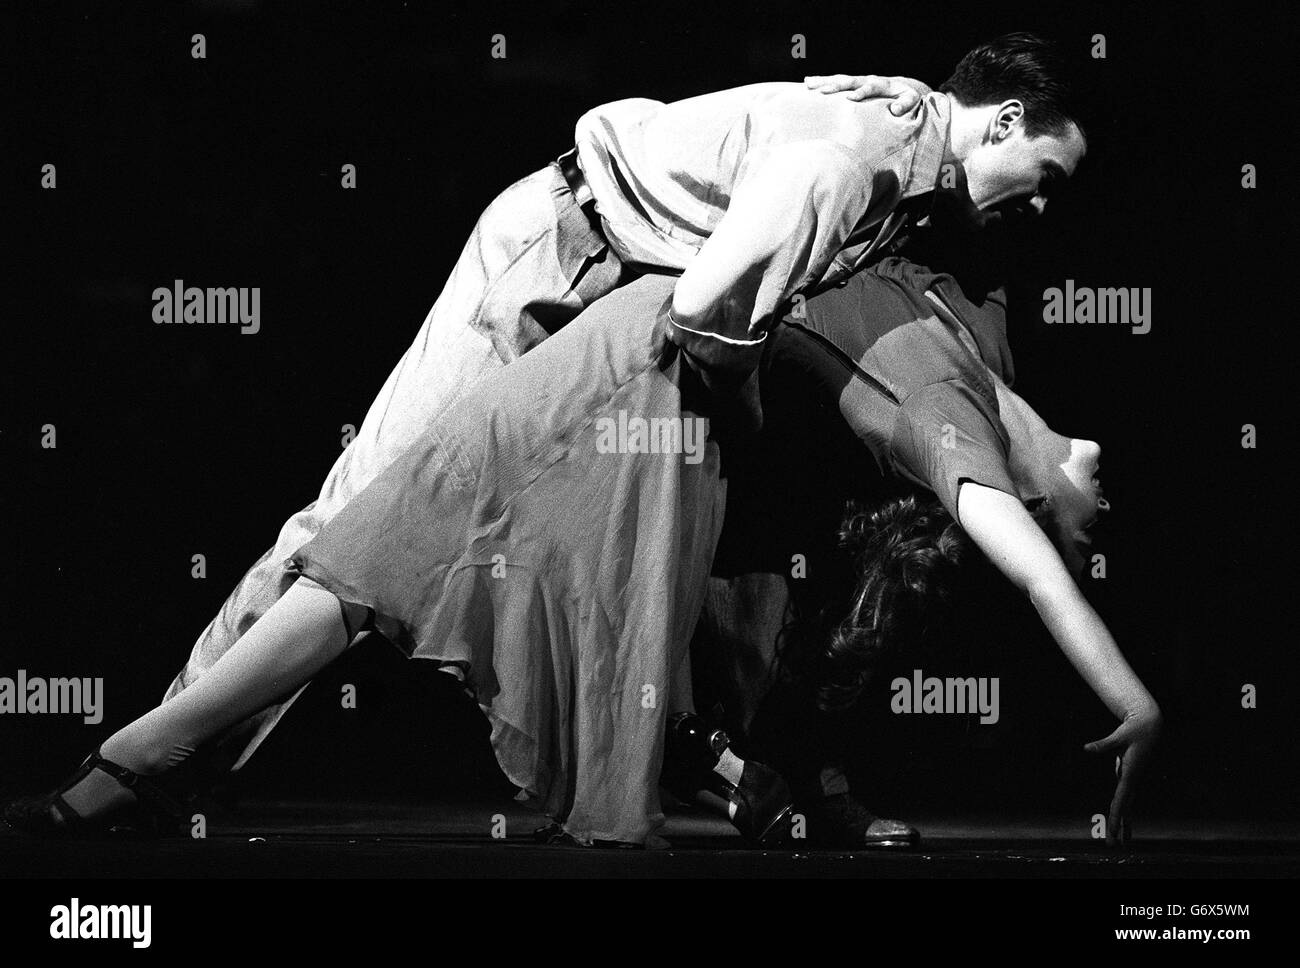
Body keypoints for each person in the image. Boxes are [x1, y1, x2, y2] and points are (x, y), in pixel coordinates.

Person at [5, 35, 1095, 844]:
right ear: (998, 119)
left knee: (660, 569)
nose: (1042, 209)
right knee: (367, 516)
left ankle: (726, 769)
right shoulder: (855, 159)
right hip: (562, 260)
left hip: (618, 297)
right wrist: (743, 393)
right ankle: (159, 755)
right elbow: (714, 297)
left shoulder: (907, 136)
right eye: (1044, 178)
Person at [688, 253, 1160, 848]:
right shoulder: (990, 350)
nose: (1111, 511)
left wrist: (1135, 706)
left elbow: (1043, 582)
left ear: (1028, 506)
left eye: (1087, 536)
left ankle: (776, 776)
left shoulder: (951, 427)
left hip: (694, 361)